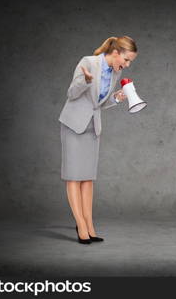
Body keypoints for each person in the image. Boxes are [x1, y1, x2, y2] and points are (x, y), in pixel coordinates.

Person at [58, 36, 138, 244]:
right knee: (74, 177)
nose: (127, 65)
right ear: (115, 52)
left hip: (93, 127)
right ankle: (81, 225)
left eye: (130, 62)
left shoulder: (115, 71)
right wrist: (85, 80)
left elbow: (98, 103)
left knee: (87, 178)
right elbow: (72, 93)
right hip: (74, 124)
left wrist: (116, 99)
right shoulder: (88, 62)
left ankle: (89, 224)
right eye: (126, 60)